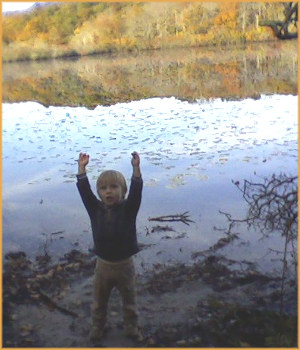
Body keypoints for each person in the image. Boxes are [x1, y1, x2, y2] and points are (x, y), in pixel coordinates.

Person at [76, 151, 143, 343]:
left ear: (123, 191)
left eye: (114, 187)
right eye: (103, 188)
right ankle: (97, 326)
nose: (108, 191)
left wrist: (136, 169)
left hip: (125, 266)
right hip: (103, 266)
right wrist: (81, 169)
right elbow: (84, 191)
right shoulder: (94, 209)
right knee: (99, 302)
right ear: (99, 193)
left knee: (129, 302)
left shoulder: (129, 209)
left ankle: (132, 328)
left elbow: (137, 192)